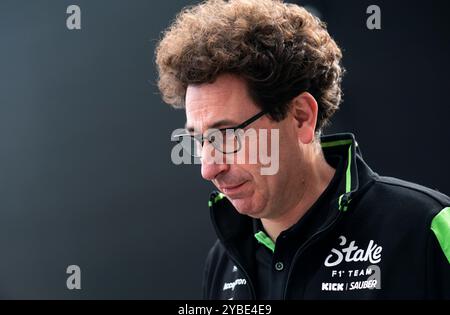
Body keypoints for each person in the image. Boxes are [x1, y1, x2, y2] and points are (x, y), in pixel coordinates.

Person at [155, 0, 450, 299]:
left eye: (227, 135)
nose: (209, 168)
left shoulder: (427, 229)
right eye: (200, 140)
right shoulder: (223, 261)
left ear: (300, 116)